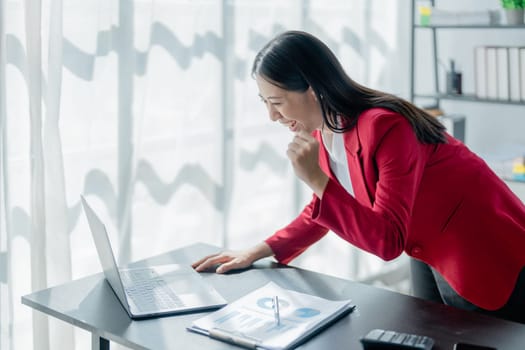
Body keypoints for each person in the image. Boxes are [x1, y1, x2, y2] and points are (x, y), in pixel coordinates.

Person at [192, 30, 525, 323]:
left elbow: (387, 241)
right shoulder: (328, 130)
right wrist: (256, 251)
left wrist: (316, 179)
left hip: (481, 250)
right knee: (427, 334)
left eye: (277, 102)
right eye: (265, 102)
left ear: (311, 88)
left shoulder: (384, 126)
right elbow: (321, 211)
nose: (271, 115)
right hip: (429, 247)